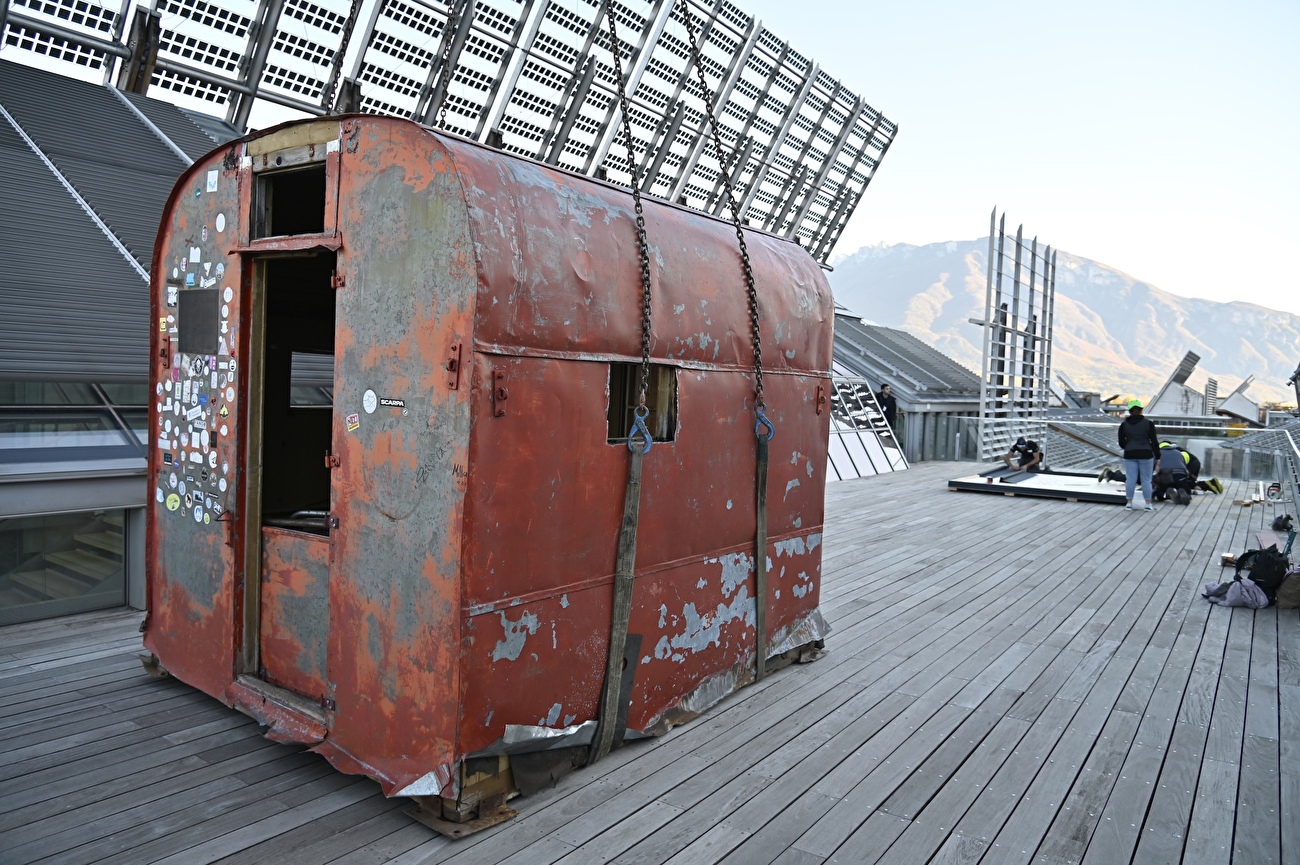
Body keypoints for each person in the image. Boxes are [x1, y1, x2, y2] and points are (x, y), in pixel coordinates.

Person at [1117, 398, 1159, 510]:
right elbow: (1154, 442)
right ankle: (1148, 504)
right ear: (1141, 410)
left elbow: (1121, 443)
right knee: (1146, 480)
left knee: (1131, 479)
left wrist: (1129, 446)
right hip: (1146, 454)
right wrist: (1158, 456)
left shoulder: (1124, 425)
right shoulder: (1149, 424)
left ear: (1130, 411)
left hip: (1130, 454)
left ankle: (1129, 503)